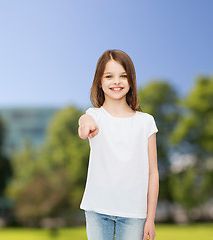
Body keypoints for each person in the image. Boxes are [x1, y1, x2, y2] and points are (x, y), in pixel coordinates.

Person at [78, 49, 159, 240]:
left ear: (131, 80)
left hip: (134, 214)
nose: (117, 81)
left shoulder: (146, 122)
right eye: (109, 76)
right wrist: (85, 123)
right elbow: (84, 125)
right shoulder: (94, 116)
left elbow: (153, 173)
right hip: (97, 210)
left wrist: (150, 219)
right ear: (99, 81)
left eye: (123, 75)